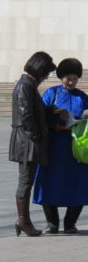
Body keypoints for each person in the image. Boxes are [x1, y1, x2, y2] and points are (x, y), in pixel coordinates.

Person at [33, 58, 88, 234]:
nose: (72, 82)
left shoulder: (82, 97)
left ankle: (70, 223)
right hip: (54, 146)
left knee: (78, 184)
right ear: (61, 77)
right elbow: (40, 115)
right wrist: (57, 116)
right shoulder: (51, 93)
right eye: (68, 78)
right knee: (48, 182)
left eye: (75, 78)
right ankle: (52, 223)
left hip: (76, 149)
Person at [9, 51, 56, 237]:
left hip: (28, 139)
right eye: (45, 74)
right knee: (26, 180)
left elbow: (33, 111)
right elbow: (26, 115)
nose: (45, 78)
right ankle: (23, 220)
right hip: (27, 141)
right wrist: (36, 136)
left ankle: (24, 220)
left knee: (27, 180)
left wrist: (50, 111)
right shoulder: (25, 86)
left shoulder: (28, 85)